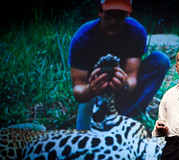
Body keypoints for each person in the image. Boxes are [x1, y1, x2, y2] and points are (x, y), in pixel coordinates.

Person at [69, 0, 170, 130]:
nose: (113, 21)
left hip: (123, 91)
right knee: (83, 134)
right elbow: (78, 89)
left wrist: (125, 85)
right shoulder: (83, 38)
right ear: (100, 11)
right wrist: (91, 89)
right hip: (93, 93)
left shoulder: (136, 31)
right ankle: (96, 120)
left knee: (160, 60)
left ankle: (130, 117)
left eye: (119, 15)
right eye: (109, 14)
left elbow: (132, 77)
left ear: (127, 15)